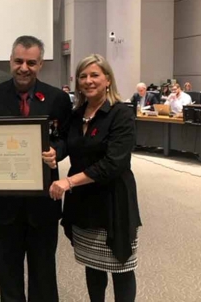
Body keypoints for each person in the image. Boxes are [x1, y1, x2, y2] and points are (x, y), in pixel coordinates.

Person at [0, 35, 72, 301]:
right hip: (4, 202)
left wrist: (57, 152)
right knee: (8, 273)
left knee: (44, 273)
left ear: (40, 64)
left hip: (43, 200)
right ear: (10, 61)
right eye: (18, 61)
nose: (24, 67)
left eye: (31, 62)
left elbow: (65, 138)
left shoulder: (58, 99)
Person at [49, 54, 142, 302]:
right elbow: (66, 144)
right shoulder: (77, 113)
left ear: (108, 79)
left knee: (121, 266)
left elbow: (114, 163)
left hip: (113, 202)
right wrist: (53, 153)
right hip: (84, 202)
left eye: (94, 75)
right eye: (83, 76)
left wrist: (68, 182)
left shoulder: (120, 113)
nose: (88, 81)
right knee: (93, 265)